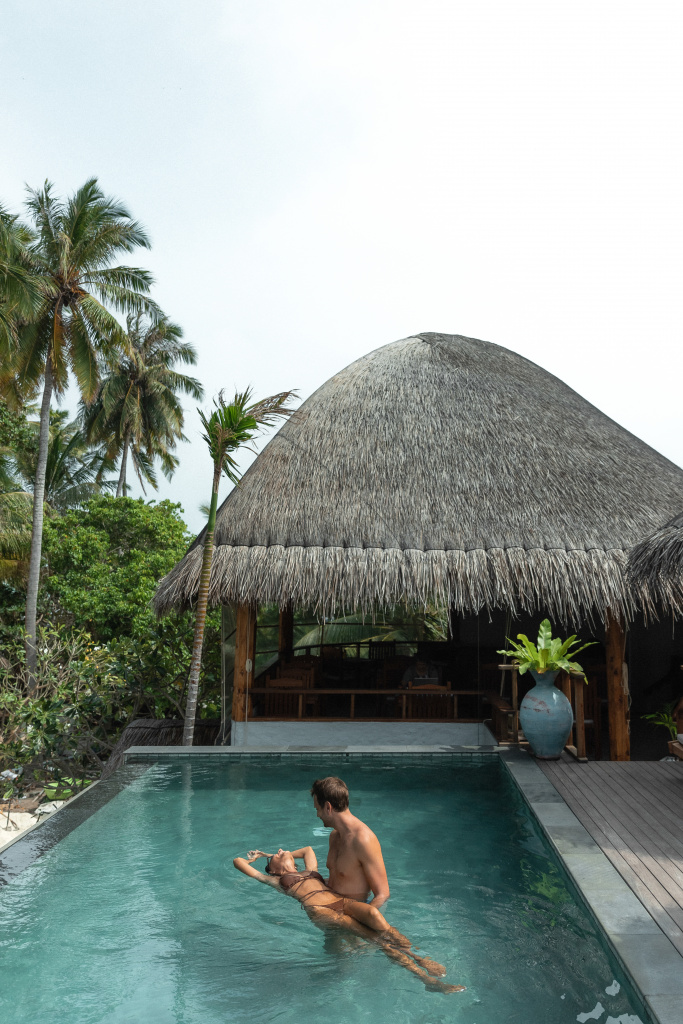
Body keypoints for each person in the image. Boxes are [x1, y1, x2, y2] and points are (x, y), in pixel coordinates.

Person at [233, 845, 464, 993]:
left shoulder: (309, 869)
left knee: (376, 917)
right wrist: (259, 858)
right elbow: (238, 862)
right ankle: (427, 980)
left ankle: (419, 957)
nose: (280, 850)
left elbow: (308, 850)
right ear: (273, 871)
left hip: (340, 901)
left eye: (281, 850)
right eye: (276, 855)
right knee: (376, 939)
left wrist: (275, 856)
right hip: (320, 910)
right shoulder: (275, 880)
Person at [310, 776, 389, 908]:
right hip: (330, 908)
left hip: (352, 913)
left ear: (328, 807)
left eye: (317, 809)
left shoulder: (363, 840)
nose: (318, 815)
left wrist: (360, 918)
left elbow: (383, 894)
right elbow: (339, 880)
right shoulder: (334, 836)